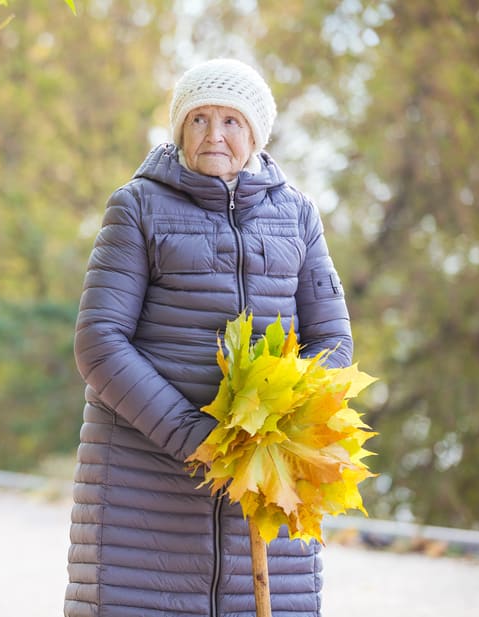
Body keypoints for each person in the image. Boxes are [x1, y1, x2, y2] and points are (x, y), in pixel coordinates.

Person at [64, 58, 352, 617]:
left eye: (230, 121)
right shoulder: (137, 207)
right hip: (143, 485)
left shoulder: (297, 215)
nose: (214, 135)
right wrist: (198, 439)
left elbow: (333, 340)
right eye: (198, 120)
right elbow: (100, 341)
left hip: (267, 480)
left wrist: (278, 432)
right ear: (178, 131)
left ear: (256, 133)